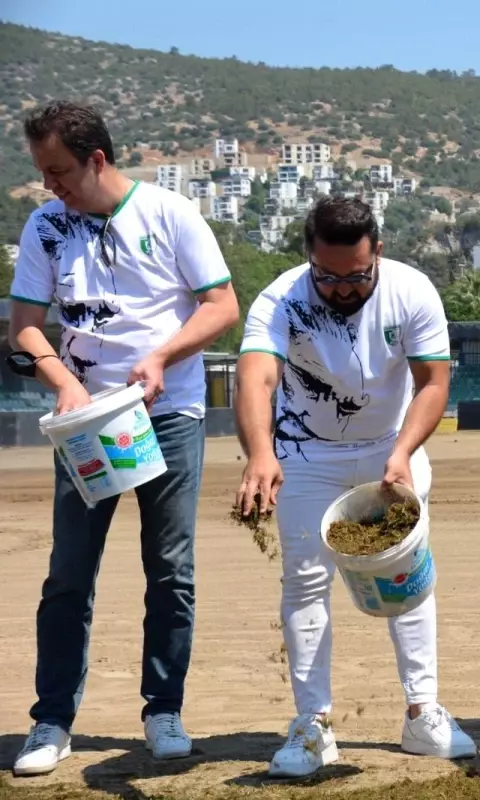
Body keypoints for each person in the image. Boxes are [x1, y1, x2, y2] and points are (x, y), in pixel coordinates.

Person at [6, 101, 239, 776]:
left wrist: (163, 356)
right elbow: (23, 322)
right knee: (69, 574)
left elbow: (222, 306)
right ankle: (51, 721)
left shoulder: (169, 214)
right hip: (88, 423)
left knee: (170, 569)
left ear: (97, 159)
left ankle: (163, 710)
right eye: (43, 173)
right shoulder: (46, 226)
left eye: (59, 172)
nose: (51, 186)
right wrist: (61, 378)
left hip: (166, 414)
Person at [234, 196, 476, 778]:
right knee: (305, 579)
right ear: (308, 259)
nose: (342, 288)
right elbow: (256, 376)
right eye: (328, 276)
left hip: (391, 448)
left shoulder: (412, 291)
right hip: (306, 452)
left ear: (379, 254)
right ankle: (312, 725)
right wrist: (260, 454)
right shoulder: (281, 299)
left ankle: (423, 713)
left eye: (356, 276)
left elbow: (433, 384)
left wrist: (401, 454)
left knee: (406, 577)